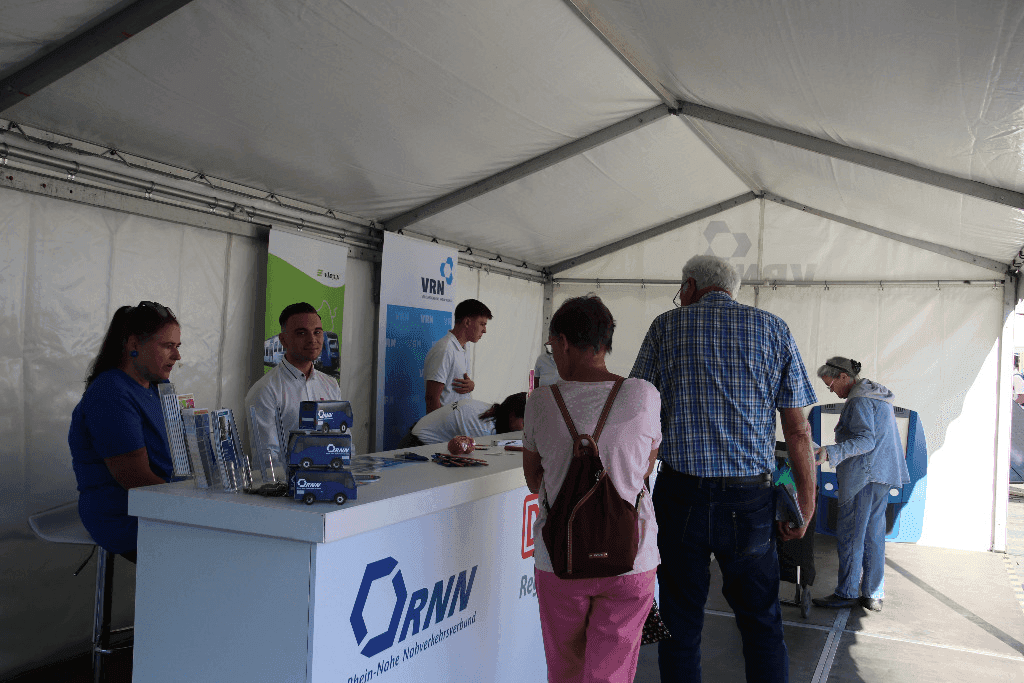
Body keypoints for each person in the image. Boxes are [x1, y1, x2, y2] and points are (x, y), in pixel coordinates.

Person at [630, 254, 817, 683]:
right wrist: (805, 503)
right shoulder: (773, 328)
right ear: (732, 290)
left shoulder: (665, 327)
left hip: (680, 496)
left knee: (679, 623)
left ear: (690, 287)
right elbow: (798, 430)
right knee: (762, 623)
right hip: (750, 500)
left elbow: (638, 411)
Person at [522, 295, 662, 683]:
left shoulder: (540, 401)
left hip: (560, 559)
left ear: (564, 342)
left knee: (565, 670)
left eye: (552, 345)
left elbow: (534, 480)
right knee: (611, 675)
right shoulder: (644, 394)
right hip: (631, 558)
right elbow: (645, 469)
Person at [68, 301, 182, 563]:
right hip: (127, 519)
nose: (177, 356)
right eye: (168, 346)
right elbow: (136, 479)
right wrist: (195, 506)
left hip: (161, 508)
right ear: (134, 345)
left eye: (178, 346)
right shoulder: (110, 394)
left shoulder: (158, 387)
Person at [811, 357, 910, 612]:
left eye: (831, 384)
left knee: (851, 536)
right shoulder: (876, 395)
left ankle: (846, 592)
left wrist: (829, 452)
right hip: (882, 474)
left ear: (844, 376)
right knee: (874, 534)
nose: (832, 390)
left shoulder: (858, 400)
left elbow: (866, 441)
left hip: (863, 476)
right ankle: (873, 594)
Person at [245, 303, 342, 473]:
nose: (312, 339)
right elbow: (267, 460)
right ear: (283, 340)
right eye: (302, 333)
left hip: (330, 479)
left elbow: (343, 440)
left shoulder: (330, 385)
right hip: (290, 485)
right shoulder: (266, 390)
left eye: (317, 332)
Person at [423, 299, 491, 414]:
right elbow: (431, 398)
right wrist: (439, 425)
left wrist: (471, 386)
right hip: (445, 424)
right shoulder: (445, 349)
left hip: (458, 421)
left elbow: (454, 384)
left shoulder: (465, 346)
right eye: (482, 324)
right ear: (467, 322)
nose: (484, 330)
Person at [397, 392, 527, 448]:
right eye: (524, 423)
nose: (524, 430)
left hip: (421, 437)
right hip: (416, 446)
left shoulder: (492, 412)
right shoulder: (483, 429)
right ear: (512, 414)